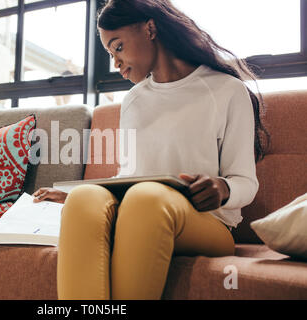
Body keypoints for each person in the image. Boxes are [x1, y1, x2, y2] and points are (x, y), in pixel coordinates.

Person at [32, 0, 270, 300]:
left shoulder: (226, 90)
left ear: (150, 28)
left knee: (147, 198)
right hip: (141, 209)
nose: (115, 63)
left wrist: (222, 188)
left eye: (118, 47)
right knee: (83, 199)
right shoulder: (133, 101)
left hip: (208, 224)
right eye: (109, 54)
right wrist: (78, 193)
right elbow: (130, 176)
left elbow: (245, 182)